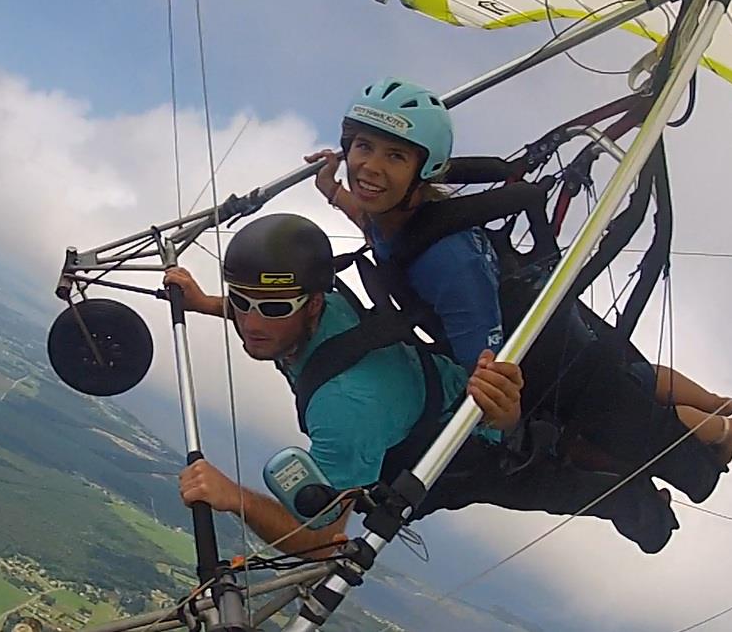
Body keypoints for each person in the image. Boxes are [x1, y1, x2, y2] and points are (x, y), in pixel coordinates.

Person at [166, 213, 682, 556]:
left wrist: (233, 496)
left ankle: (655, 506)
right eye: (240, 300)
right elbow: (266, 322)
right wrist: (206, 302)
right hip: (433, 399)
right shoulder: (314, 309)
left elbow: (325, 541)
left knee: (565, 486)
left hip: (462, 451)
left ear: (314, 304)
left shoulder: (347, 406)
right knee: (565, 455)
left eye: (273, 307)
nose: (252, 322)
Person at [307, 77, 732, 467]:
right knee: (633, 372)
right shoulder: (402, 214)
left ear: (422, 172)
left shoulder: (448, 263)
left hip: (540, 350)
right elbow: (380, 231)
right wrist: (334, 192)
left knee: (625, 410)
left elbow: (486, 363)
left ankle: (723, 429)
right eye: (363, 147)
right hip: (538, 308)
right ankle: (715, 401)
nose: (371, 166)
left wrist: (499, 424)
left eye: (395, 156)